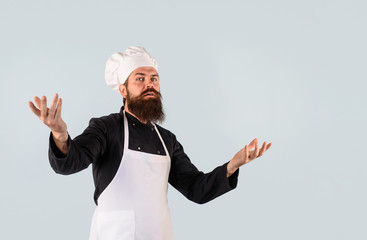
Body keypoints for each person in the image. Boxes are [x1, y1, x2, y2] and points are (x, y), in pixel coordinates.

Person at [28, 46, 272, 240]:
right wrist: (60, 134)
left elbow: (196, 189)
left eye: (154, 79)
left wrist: (232, 166)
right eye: (140, 78)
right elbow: (71, 162)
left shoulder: (167, 140)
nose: (149, 84)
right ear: (123, 89)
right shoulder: (106, 128)